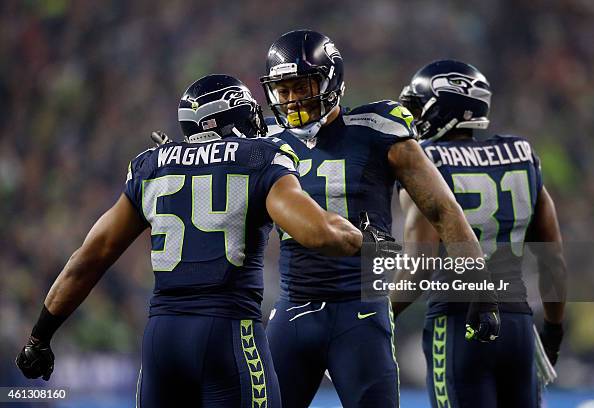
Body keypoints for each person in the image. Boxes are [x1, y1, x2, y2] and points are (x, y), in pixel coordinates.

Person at [15, 74, 385, 408]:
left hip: (162, 339)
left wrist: (40, 337)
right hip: (228, 334)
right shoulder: (260, 157)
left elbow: (90, 257)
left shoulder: (153, 165)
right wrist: (366, 239)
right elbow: (317, 233)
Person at [259, 30, 500, 408]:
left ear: (330, 81)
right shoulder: (266, 140)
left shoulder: (378, 129)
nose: (292, 100)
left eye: (301, 86)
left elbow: (443, 210)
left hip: (362, 310)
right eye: (283, 90)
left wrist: (480, 290)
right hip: (293, 309)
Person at [395, 60, 567, 408]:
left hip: (459, 323)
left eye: (419, 105)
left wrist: (380, 315)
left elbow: (420, 264)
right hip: (518, 325)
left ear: (445, 105)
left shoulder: (427, 164)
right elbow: (553, 261)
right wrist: (553, 330)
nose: (413, 117)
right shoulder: (522, 156)